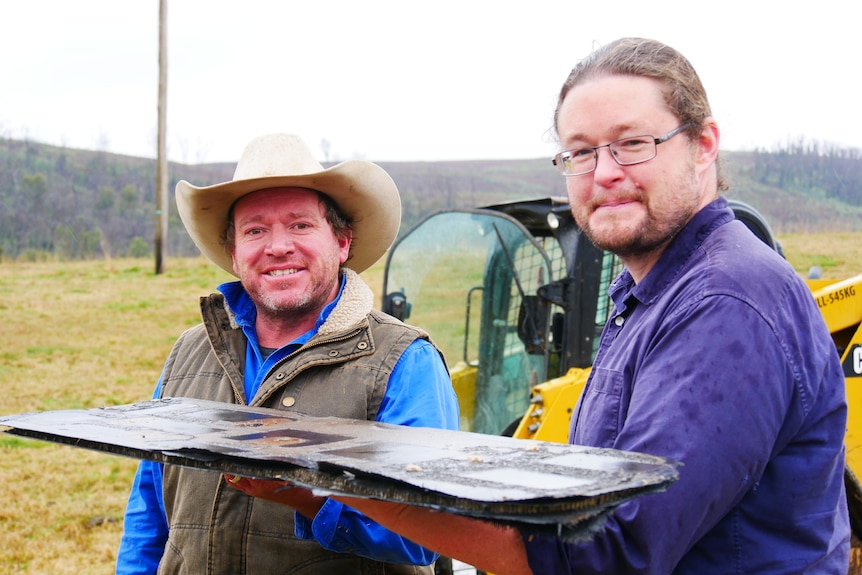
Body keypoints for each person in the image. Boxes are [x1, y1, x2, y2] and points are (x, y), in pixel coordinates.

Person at [232, 38, 851, 574]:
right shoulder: (648, 293)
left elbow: (608, 554)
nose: (603, 172)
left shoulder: (723, 303)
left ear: (704, 144)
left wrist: (335, 476)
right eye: (580, 152)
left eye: (631, 143)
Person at [115, 133, 460, 575]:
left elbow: (430, 529)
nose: (277, 246)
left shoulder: (404, 361)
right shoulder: (189, 351)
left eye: (300, 225)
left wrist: (306, 495)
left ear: (342, 243)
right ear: (235, 254)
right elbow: (149, 510)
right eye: (255, 230)